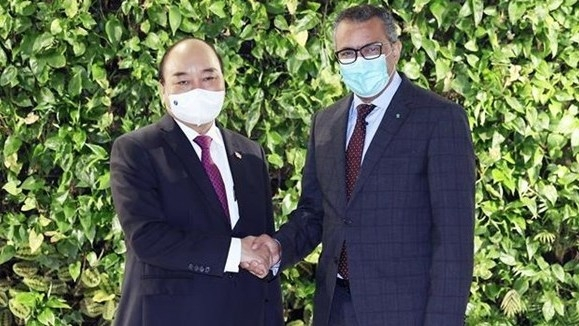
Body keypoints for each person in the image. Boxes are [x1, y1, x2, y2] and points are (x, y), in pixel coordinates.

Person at [248, 4, 476, 326]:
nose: (359, 61)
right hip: (334, 307)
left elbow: (453, 242)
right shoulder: (325, 123)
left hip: (405, 313)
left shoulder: (439, 119)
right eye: (347, 53)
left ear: (394, 50)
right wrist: (277, 249)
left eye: (371, 49)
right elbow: (315, 213)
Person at [110, 37, 283, 326]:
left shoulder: (251, 153)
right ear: (162, 89)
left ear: (224, 82)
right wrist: (235, 251)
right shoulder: (137, 149)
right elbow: (147, 238)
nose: (198, 89)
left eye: (208, 77)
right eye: (182, 81)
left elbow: (260, 240)